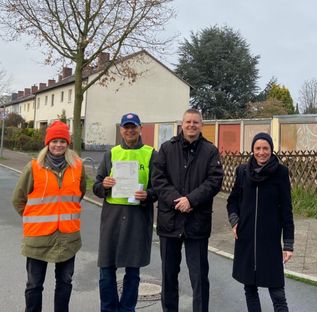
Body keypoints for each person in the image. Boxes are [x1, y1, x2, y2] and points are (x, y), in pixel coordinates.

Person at [152, 108, 224, 312]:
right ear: (181, 124)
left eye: (196, 122)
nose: (191, 125)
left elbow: (215, 180)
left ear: (202, 125)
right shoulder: (166, 149)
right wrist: (178, 200)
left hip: (197, 223)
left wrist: (191, 200)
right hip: (170, 222)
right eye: (188, 122)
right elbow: (158, 179)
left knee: (199, 277)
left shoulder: (210, 151)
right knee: (168, 277)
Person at [12, 120, 86, 312]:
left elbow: (80, 194)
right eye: (54, 141)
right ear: (48, 143)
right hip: (38, 238)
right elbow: (18, 200)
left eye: (62, 141)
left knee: (65, 282)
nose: (58, 145)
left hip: (68, 238)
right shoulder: (33, 168)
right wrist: (34, 216)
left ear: (67, 143)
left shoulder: (77, 167)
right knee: (34, 285)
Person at [93, 113, 157, 312]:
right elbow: (96, 186)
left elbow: (160, 188)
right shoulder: (110, 154)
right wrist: (104, 185)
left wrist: (148, 194)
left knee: (133, 272)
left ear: (140, 128)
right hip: (112, 219)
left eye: (133, 127)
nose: (130, 130)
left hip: (137, 220)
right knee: (106, 271)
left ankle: (127, 309)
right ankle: (109, 308)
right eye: (126, 127)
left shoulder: (151, 154)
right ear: (121, 129)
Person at [226, 132, 294, 312]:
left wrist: (288, 243)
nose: (261, 152)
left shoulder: (281, 172)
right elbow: (232, 201)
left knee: (277, 292)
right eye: (258, 148)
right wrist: (234, 221)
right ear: (252, 150)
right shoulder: (242, 171)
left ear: (271, 150)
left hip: (270, 242)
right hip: (246, 240)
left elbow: (287, 210)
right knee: (249, 289)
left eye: (265, 148)